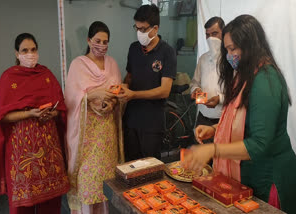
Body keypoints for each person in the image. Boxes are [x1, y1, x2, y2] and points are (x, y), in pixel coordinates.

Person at [182, 15, 296, 213]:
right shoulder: (246, 75)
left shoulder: (265, 79)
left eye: (232, 49)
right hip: (249, 174)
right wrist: (214, 129)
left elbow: (260, 143)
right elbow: (243, 120)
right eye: (227, 49)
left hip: (269, 175)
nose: (230, 56)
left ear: (250, 45)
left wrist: (213, 150)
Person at [0, 33, 69, 214]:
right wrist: (29, 113)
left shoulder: (46, 75)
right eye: (25, 50)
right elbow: (1, 116)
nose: (30, 54)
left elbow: (61, 108)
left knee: (50, 203)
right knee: (22, 205)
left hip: (48, 153)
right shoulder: (8, 78)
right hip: (21, 153)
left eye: (33, 49)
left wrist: (52, 113)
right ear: (17, 53)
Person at [65, 21, 124, 214]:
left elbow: (118, 93)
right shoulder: (77, 65)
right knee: (87, 178)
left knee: (104, 181)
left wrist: (112, 103)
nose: (101, 45)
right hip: (86, 136)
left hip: (106, 132)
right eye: (97, 40)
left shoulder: (113, 64)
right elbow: (71, 99)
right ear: (89, 40)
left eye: (105, 42)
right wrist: (93, 95)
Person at [118, 4, 177, 161]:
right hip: (131, 119)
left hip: (152, 122)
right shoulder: (134, 49)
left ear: (155, 29)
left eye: (143, 29)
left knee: (150, 168)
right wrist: (122, 88)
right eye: (137, 28)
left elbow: (164, 90)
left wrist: (134, 94)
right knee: (131, 165)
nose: (139, 33)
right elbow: (129, 77)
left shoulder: (167, 52)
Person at [190, 17, 225, 131]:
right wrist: (195, 90)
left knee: (221, 149)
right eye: (207, 35)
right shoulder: (203, 59)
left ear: (224, 33)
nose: (211, 38)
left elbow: (238, 92)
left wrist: (220, 99)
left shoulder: (231, 59)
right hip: (203, 117)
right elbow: (195, 82)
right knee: (200, 146)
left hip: (223, 118)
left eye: (215, 33)